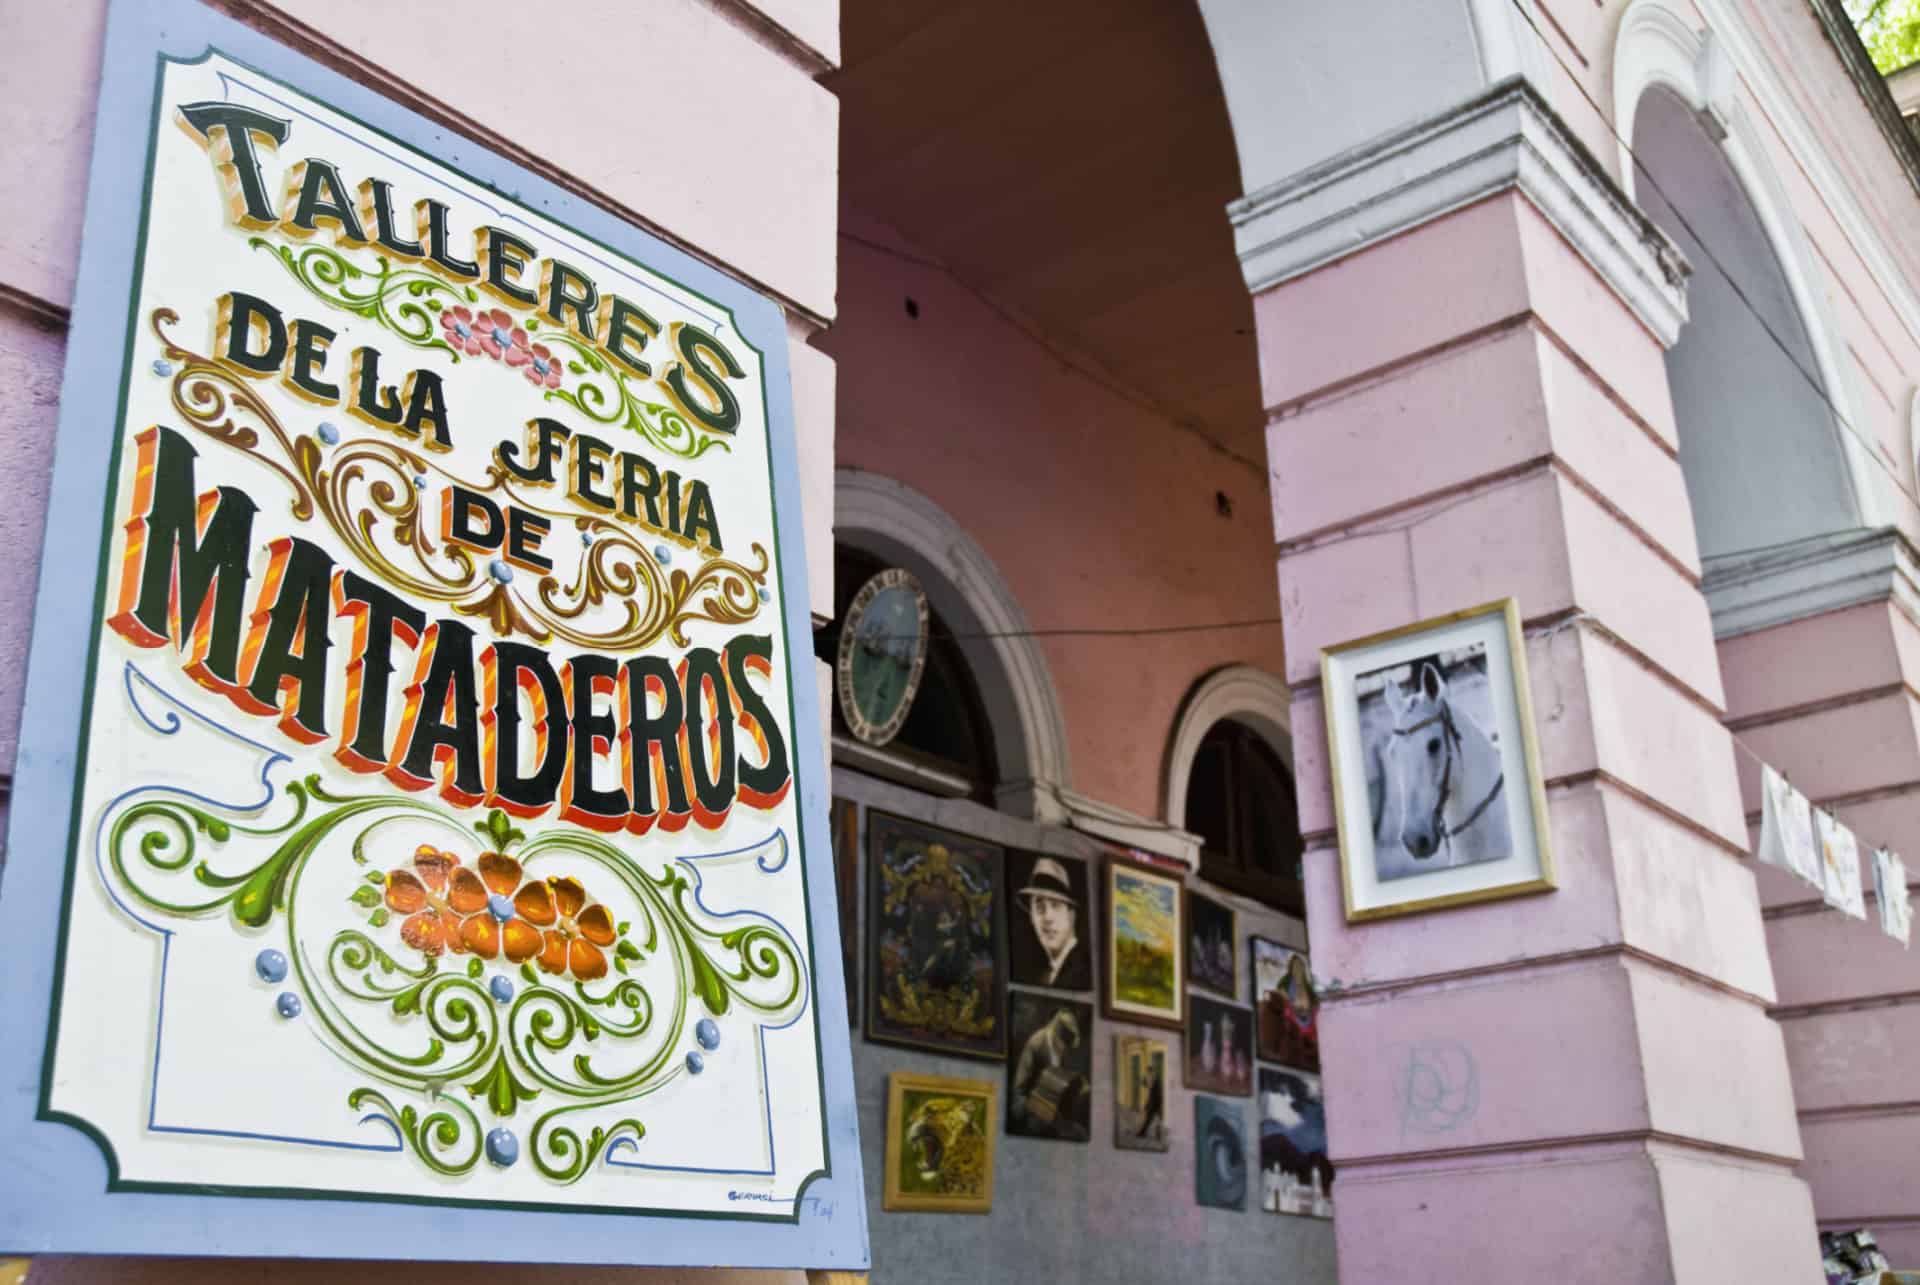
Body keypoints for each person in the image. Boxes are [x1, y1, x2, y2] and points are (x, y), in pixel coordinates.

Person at [1013, 856, 1089, 989]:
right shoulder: (1045, 976)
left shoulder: (1082, 972)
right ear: (1032, 917)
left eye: (1056, 905)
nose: (1047, 917)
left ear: (1071, 915)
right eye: (1039, 907)